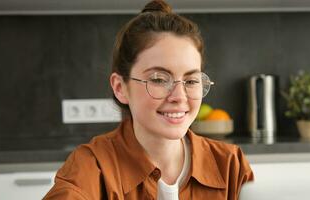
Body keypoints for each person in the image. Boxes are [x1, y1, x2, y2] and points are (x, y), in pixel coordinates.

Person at [43, 0, 254, 199]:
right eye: (159, 79)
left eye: (191, 81)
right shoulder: (91, 167)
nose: (179, 97)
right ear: (120, 87)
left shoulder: (230, 164)